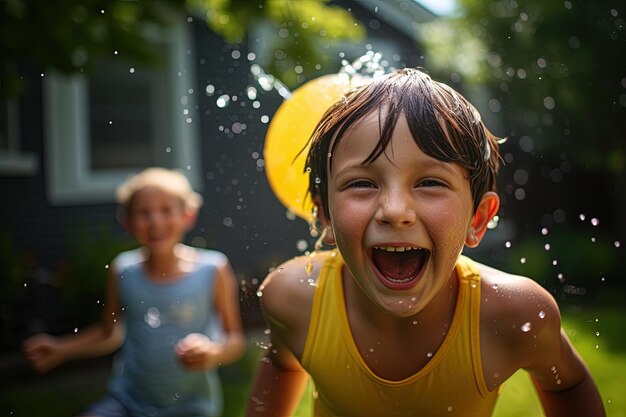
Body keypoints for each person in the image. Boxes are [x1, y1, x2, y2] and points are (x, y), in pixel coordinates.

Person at [246, 68, 605, 416]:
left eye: (430, 182)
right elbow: (283, 364)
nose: (395, 210)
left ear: (477, 219)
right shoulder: (293, 299)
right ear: (325, 215)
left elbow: (566, 384)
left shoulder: (513, 316)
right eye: (363, 183)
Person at [23, 167, 245, 417]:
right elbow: (110, 334)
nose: (155, 222)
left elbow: (234, 340)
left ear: (187, 215)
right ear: (127, 222)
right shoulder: (123, 270)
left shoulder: (212, 269)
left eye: (165, 210)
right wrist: (61, 348)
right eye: (143, 213)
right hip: (126, 403)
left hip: (190, 407)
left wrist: (213, 352)